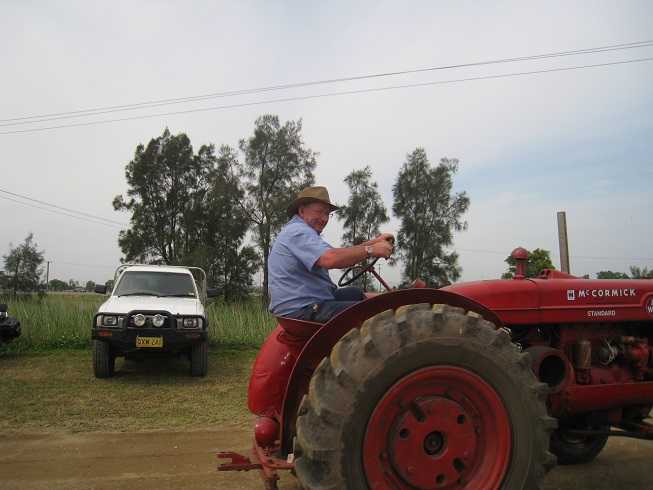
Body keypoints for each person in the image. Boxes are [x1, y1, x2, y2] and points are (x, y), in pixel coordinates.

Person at [268, 185, 393, 323]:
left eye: (327, 213)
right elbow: (331, 259)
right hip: (302, 309)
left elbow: (342, 254)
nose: (324, 218)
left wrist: (375, 242)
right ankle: (394, 305)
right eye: (319, 212)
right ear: (302, 211)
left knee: (355, 293)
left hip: (310, 302)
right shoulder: (298, 232)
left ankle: (394, 300)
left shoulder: (302, 233)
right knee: (376, 313)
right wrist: (371, 250)